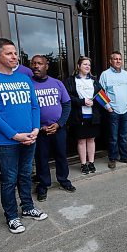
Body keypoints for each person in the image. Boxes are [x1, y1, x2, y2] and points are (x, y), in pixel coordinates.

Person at [0, 38, 47, 234]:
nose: (14, 56)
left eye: (15, 53)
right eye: (9, 53)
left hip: (30, 137)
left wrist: (35, 129)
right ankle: (12, 216)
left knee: (25, 175)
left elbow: (34, 106)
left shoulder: (25, 79)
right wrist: (14, 135)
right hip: (7, 141)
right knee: (9, 179)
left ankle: (27, 207)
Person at [30, 55, 75, 201]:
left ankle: (63, 180)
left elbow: (67, 105)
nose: (36, 66)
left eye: (39, 63)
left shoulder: (57, 83)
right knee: (41, 158)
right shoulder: (28, 84)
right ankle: (43, 184)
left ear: (46, 66)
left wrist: (60, 123)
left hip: (58, 128)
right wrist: (39, 127)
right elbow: (26, 109)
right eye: (33, 63)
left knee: (61, 155)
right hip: (40, 130)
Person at [65, 56, 111, 175]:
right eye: (85, 64)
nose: (87, 67)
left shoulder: (94, 80)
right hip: (79, 116)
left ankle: (91, 162)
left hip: (93, 115)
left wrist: (103, 105)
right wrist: (82, 102)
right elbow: (68, 97)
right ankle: (83, 164)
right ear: (79, 66)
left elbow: (101, 95)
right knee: (81, 141)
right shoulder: (71, 80)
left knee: (91, 140)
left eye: (89, 65)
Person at [99, 51, 127, 169]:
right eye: (115, 59)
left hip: (125, 111)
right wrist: (108, 108)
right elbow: (100, 93)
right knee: (113, 137)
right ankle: (112, 158)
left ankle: (124, 156)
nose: (118, 61)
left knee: (124, 135)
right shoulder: (105, 74)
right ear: (111, 61)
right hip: (113, 111)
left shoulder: (126, 74)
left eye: (120, 59)